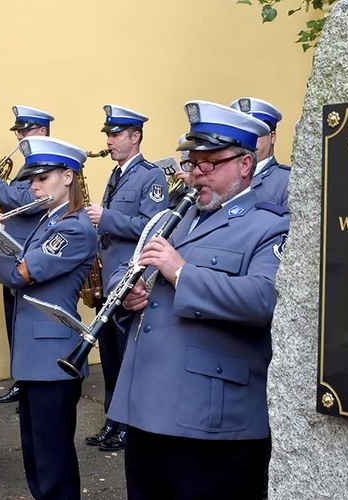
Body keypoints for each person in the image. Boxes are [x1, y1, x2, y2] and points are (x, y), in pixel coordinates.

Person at [108, 100, 290, 499]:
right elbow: (133, 268)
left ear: (244, 164)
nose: (196, 175)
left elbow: (265, 299)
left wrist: (182, 273)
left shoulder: (271, 224)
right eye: (192, 164)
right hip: (145, 406)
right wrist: (130, 294)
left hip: (210, 418)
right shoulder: (178, 215)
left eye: (210, 164)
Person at [0, 136, 97, 499]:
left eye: (43, 178)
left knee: (52, 459)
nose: (34, 186)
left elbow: (18, 274)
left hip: (53, 356)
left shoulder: (73, 228)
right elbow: (14, 266)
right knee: (34, 454)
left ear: (69, 176)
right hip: (33, 354)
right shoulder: (46, 222)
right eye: (32, 180)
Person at [84, 104, 168, 451]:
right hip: (110, 277)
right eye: (108, 134)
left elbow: (153, 227)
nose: (109, 140)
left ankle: (129, 425)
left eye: (116, 134)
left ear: (135, 137)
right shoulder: (116, 175)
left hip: (132, 279)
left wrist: (105, 218)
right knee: (111, 356)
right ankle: (112, 419)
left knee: (128, 356)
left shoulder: (151, 176)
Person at [0, 105, 55, 406]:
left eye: (25, 130)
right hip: (11, 251)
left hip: (31, 255)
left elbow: (30, 200)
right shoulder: (26, 165)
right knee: (14, 320)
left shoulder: (50, 162)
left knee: (30, 323)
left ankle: (31, 384)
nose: (20, 136)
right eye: (18, 131)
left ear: (41, 131)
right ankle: (20, 380)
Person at [231, 97, 291, 209]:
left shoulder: (287, 181)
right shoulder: (225, 175)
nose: (247, 140)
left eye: (255, 134)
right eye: (241, 134)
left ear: (272, 137)